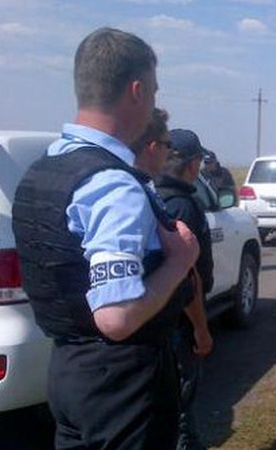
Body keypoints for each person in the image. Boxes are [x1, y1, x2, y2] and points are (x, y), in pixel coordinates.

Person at [11, 27, 199, 450]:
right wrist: (179, 260)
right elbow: (116, 318)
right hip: (124, 383)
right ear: (137, 90)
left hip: (66, 372)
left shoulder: (46, 167)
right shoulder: (114, 186)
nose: (153, 103)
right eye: (153, 92)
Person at [156, 129, 215, 450]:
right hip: (181, 320)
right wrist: (201, 329)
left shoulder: (156, 196)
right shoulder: (182, 205)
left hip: (164, 317)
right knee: (181, 403)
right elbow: (187, 276)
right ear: (192, 165)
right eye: (199, 161)